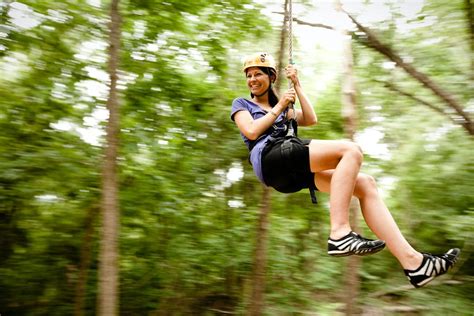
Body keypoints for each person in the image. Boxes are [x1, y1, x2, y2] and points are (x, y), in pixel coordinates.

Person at [230, 52, 460, 288]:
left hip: (288, 173)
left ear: (271, 76)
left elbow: (311, 118)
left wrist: (297, 86)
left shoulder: (283, 108)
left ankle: (414, 264)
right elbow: (251, 131)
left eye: (258, 73)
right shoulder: (243, 104)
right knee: (350, 151)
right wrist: (279, 106)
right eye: (249, 75)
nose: (252, 79)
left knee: (366, 184)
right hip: (270, 158)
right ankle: (339, 233)